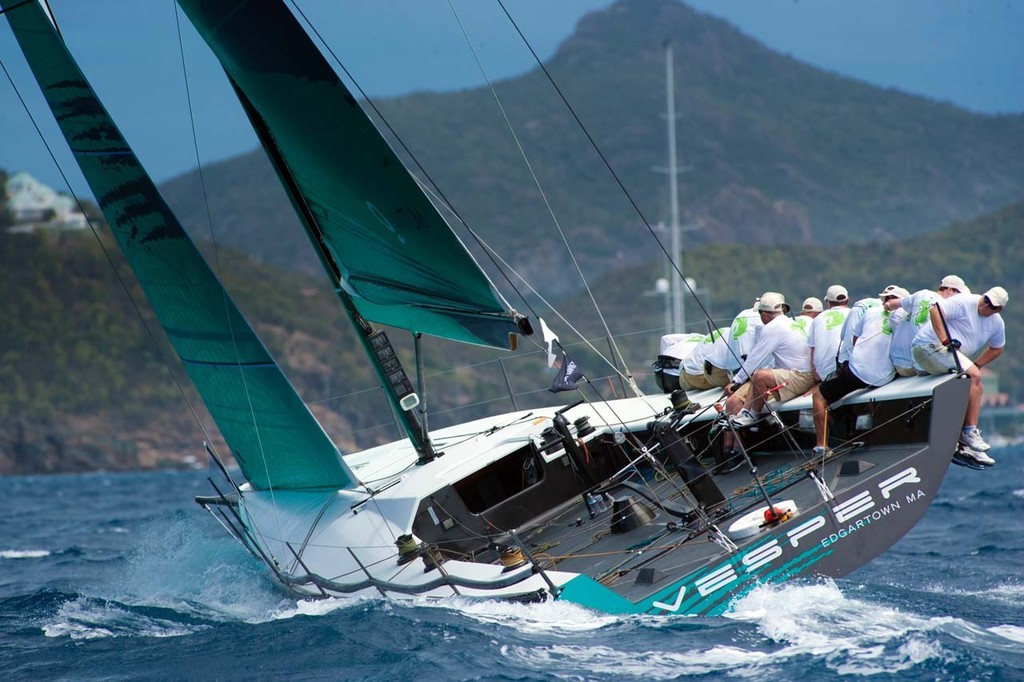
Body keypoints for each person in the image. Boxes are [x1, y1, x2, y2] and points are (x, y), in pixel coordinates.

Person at [911, 286, 1008, 465]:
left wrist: (977, 364)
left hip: (945, 355)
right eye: (985, 300)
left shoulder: (996, 323)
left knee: (966, 382)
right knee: (974, 377)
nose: (985, 306)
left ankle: (959, 442)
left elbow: (998, 347)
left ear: (998, 310)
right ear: (984, 295)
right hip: (927, 347)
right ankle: (969, 432)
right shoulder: (965, 301)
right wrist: (944, 339)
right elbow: (935, 310)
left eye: (991, 306)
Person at [811, 286, 909, 454]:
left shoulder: (871, 312)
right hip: (887, 376)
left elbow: (854, 340)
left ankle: (822, 447)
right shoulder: (906, 318)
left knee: (819, 397)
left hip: (859, 372)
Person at [720, 293, 814, 465]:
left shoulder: (772, 328)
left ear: (764, 314)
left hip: (801, 377)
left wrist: (736, 382)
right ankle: (735, 441)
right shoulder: (788, 322)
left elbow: (755, 358)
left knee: (760, 376)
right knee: (758, 377)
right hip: (795, 373)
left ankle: (751, 415)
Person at [886, 275, 969, 377]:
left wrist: (888, 305)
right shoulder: (945, 307)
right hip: (918, 366)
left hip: (898, 364)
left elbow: (894, 304)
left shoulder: (922, 294)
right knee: (965, 368)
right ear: (950, 290)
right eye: (958, 295)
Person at [807, 284, 851, 384]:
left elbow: (812, 351)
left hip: (824, 376)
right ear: (848, 300)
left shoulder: (817, 319)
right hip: (849, 371)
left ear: (828, 302)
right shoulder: (854, 313)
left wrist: (817, 379)